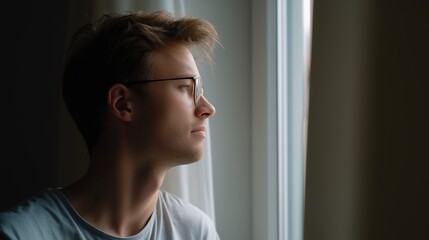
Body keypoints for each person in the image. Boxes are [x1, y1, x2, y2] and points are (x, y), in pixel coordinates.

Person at [0, 11, 219, 240]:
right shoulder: (18, 234)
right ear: (123, 104)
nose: (208, 108)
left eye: (199, 90)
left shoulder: (195, 232)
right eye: (186, 87)